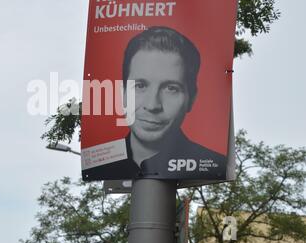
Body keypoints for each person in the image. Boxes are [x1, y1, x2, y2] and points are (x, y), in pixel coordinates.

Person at [82, 26, 227, 181]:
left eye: (171, 88)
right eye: (140, 85)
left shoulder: (214, 164)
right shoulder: (99, 163)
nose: (152, 105)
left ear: (191, 98)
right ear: (121, 92)